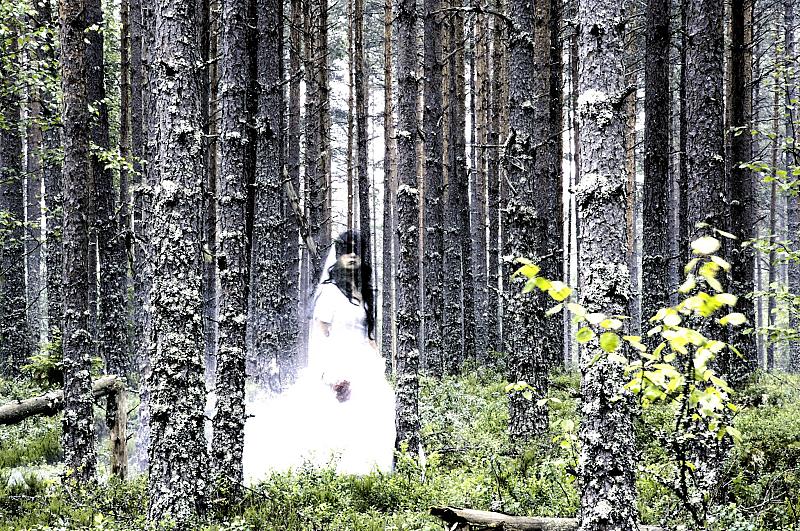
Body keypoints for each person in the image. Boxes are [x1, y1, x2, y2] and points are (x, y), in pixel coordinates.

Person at [243, 230, 395, 480]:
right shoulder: (329, 292)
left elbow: (368, 336)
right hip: (338, 362)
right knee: (335, 422)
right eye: (346, 251)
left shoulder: (364, 293)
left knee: (373, 417)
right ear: (338, 256)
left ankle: (370, 479)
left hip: (365, 366)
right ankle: (336, 478)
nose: (352, 256)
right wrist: (330, 373)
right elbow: (320, 335)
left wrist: (379, 364)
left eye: (357, 252)